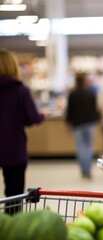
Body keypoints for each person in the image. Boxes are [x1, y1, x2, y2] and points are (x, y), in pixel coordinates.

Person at [0, 48, 45, 215]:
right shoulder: (20, 91)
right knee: (14, 195)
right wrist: (42, 115)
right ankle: (10, 228)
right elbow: (32, 118)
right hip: (14, 149)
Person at [65, 72, 99, 178]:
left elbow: (69, 110)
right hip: (89, 123)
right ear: (84, 81)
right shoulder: (90, 92)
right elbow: (95, 108)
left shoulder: (72, 94)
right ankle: (88, 169)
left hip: (77, 124)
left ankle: (83, 170)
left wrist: (68, 123)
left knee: (80, 147)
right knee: (89, 146)